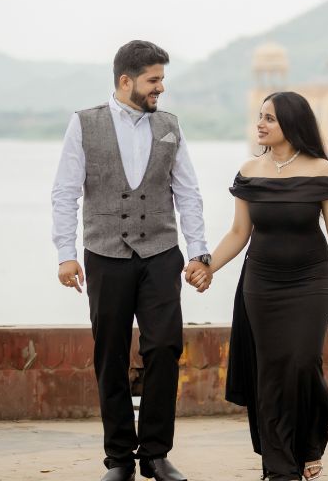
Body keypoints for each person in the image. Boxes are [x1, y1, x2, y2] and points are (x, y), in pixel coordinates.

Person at [51, 40, 213, 481]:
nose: (161, 87)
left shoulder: (169, 126)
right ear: (126, 80)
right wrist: (66, 254)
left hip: (161, 252)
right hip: (104, 254)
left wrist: (199, 252)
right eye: (154, 80)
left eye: (161, 79)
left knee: (164, 347)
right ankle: (120, 459)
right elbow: (65, 192)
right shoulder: (84, 124)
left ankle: (156, 454)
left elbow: (189, 192)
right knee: (110, 354)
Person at [194, 91, 328, 480]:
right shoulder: (250, 171)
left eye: (269, 118)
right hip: (263, 283)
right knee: (271, 372)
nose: (261, 124)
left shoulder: (321, 170)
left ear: (291, 123)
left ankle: (309, 445)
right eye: (260, 117)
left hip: (311, 282)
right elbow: (239, 232)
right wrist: (209, 266)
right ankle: (278, 466)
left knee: (304, 363)